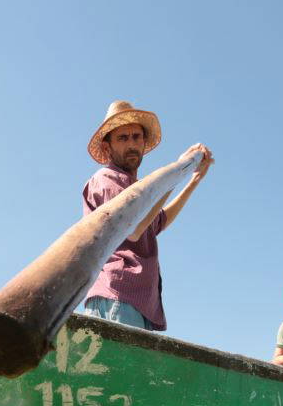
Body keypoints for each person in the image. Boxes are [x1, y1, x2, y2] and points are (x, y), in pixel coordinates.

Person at [81, 100, 214, 331]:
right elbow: (132, 228)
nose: (131, 144)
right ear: (107, 146)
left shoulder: (137, 187)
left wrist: (193, 179)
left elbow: (158, 221)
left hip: (140, 299)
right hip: (117, 293)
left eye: (136, 137)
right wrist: (177, 170)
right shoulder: (107, 179)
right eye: (122, 138)